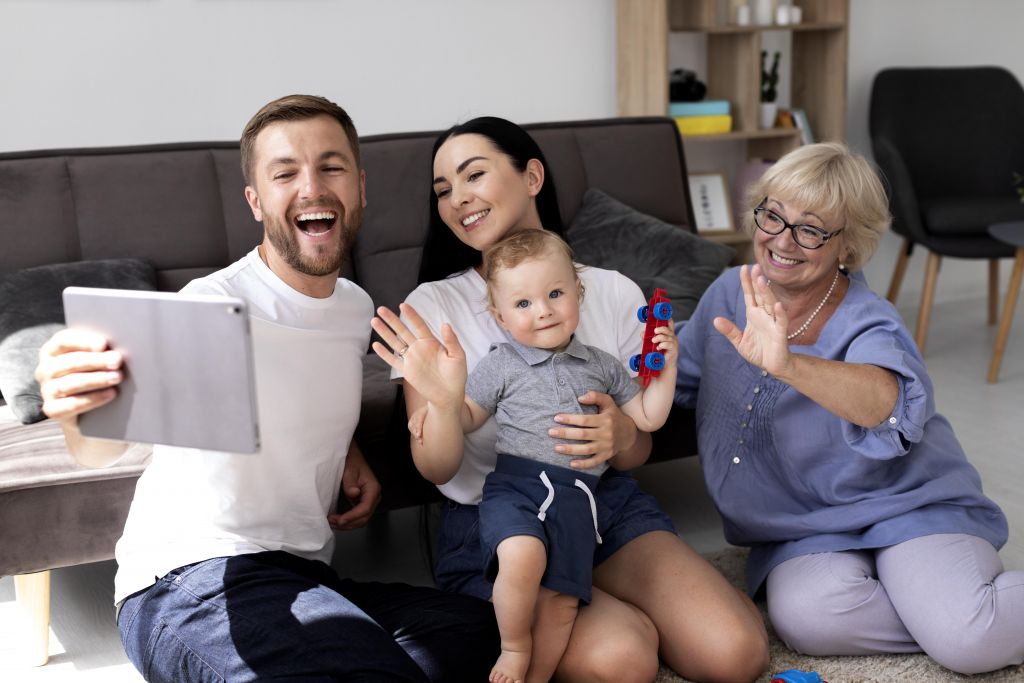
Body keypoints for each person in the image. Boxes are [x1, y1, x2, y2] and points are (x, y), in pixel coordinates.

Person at [33, 94, 499, 683]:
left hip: (305, 575)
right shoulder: (210, 305)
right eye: (285, 173)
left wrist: (348, 449)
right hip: (190, 580)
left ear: (359, 187)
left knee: (488, 636)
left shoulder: (354, 308)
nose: (312, 188)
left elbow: (298, 382)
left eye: (331, 168)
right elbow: (103, 447)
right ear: (256, 201)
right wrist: (76, 413)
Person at [371, 116, 770, 683]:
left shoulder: (611, 291)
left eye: (473, 176)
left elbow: (635, 449)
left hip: (601, 501)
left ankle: (615, 592)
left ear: (532, 175)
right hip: (504, 522)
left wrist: (623, 435)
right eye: (443, 191)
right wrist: (442, 403)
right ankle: (606, 613)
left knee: (736, 654)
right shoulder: (434, 307)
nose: (458, 199)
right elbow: (437, 466)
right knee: (624, 660)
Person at [674, 141, 1024, 675]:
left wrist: (788, 364)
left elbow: (885, 402)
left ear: (848, 246)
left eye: (811, 229)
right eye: (773, 215)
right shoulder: (729, 293)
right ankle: (940, 608)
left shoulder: (869, 319)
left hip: (909, 507)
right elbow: (679, 377)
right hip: (805, 527)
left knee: (969, 640)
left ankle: (959, 617)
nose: (782, 240)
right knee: (809, 622)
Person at [377, 229, 678, 683]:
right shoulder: (501, 363)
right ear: (500, 316)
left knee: (561, 600)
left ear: (579, 293)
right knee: (522, 554)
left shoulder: (601, 364)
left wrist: (667, 368)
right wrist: (442, 401)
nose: (543, 311)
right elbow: (469, 417)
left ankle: (533, 677)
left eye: (556, 293)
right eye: (523, 304)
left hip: (577, 498)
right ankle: (514, 648)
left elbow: (648, 418)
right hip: (516, 488)